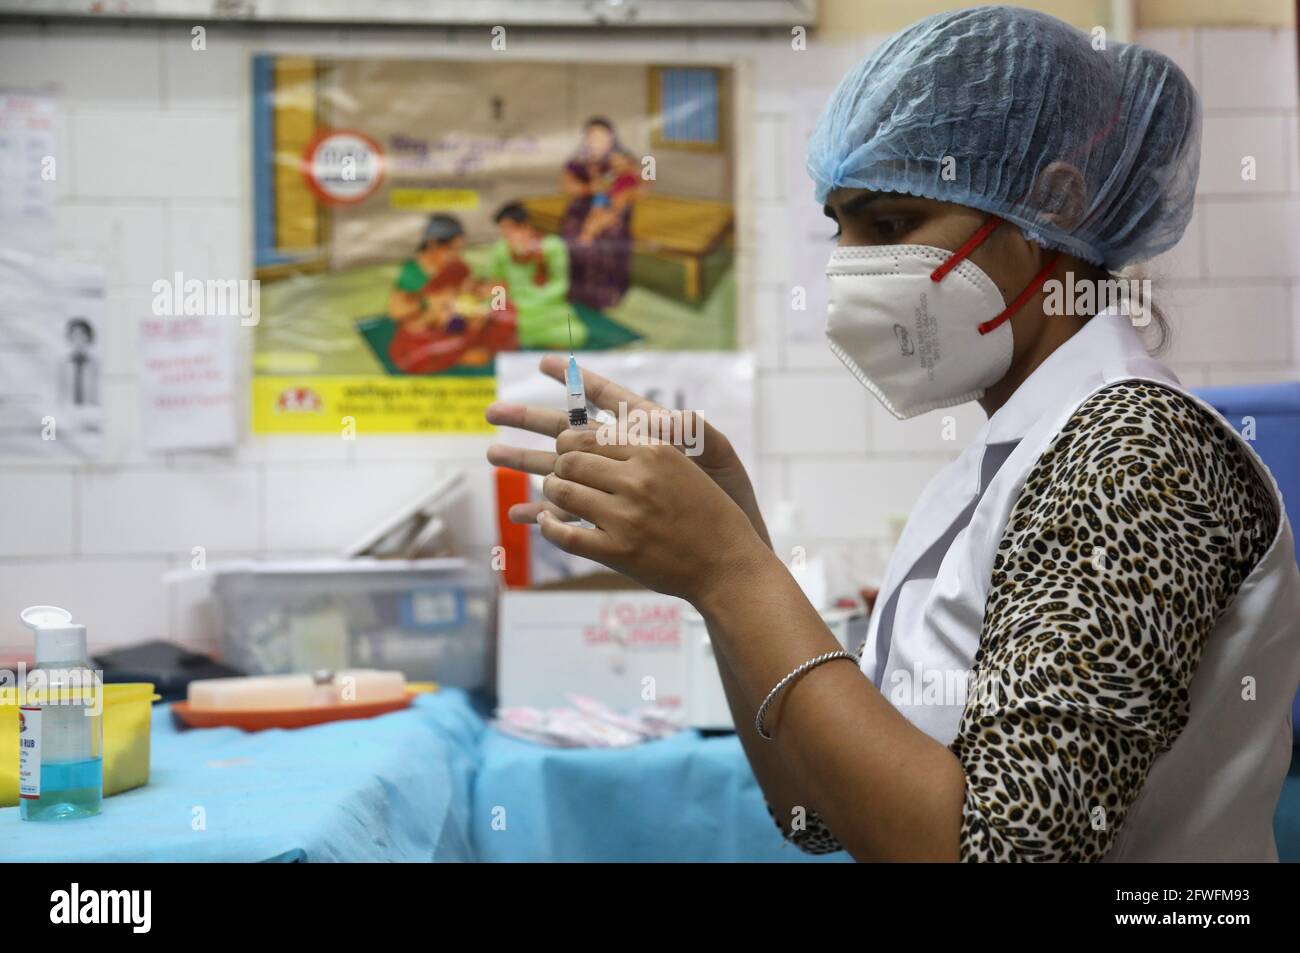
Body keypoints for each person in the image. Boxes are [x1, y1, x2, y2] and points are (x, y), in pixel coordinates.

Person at [485, 6, 1300, 862]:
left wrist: (730, 569)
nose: (852, 269)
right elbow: (818, 812)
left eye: (891, 225)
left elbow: (993, 853)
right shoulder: (999, 468)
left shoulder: (1137, 450)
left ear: (1052, 202)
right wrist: (727, 552)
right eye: (840, 228)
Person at [387, 213, 515, 374]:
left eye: (459, 249)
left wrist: (488, 289)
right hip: (426, 334)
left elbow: (467, 290)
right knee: (418, 352)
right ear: (433, 244)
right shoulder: (413, 272)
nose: (456, 254)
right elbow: (396, 311)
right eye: (452, 249)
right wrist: (427, 303)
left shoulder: (457, 266)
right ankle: (461, 353)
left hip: (458, 321)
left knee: (503, 305)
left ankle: (473, 346)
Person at [560, 118, 640, 311]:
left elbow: (636, 186)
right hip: (582, 206)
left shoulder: (623, 160)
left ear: (611, 138)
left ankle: (605, 295)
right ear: (586, 139)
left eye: (602, 136)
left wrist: (613, 199)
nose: (597, 141)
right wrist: (589, 188)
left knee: (610, 233)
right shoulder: (577, 162)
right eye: (593, 136)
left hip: (613, 207)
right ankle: (577, 292)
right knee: (572, 230)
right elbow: (567, 186)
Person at [487, 202, 586, 350]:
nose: (506, 233)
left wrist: (534, 302)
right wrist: (498, 307)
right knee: (497, 325)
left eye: (510, 228)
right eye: (503, 229)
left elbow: (560, 285)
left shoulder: (553, 246)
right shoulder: (500, 249)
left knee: (576, 333)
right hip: (515, 306)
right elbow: (497, 283)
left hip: (547, 307)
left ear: (526, 226)